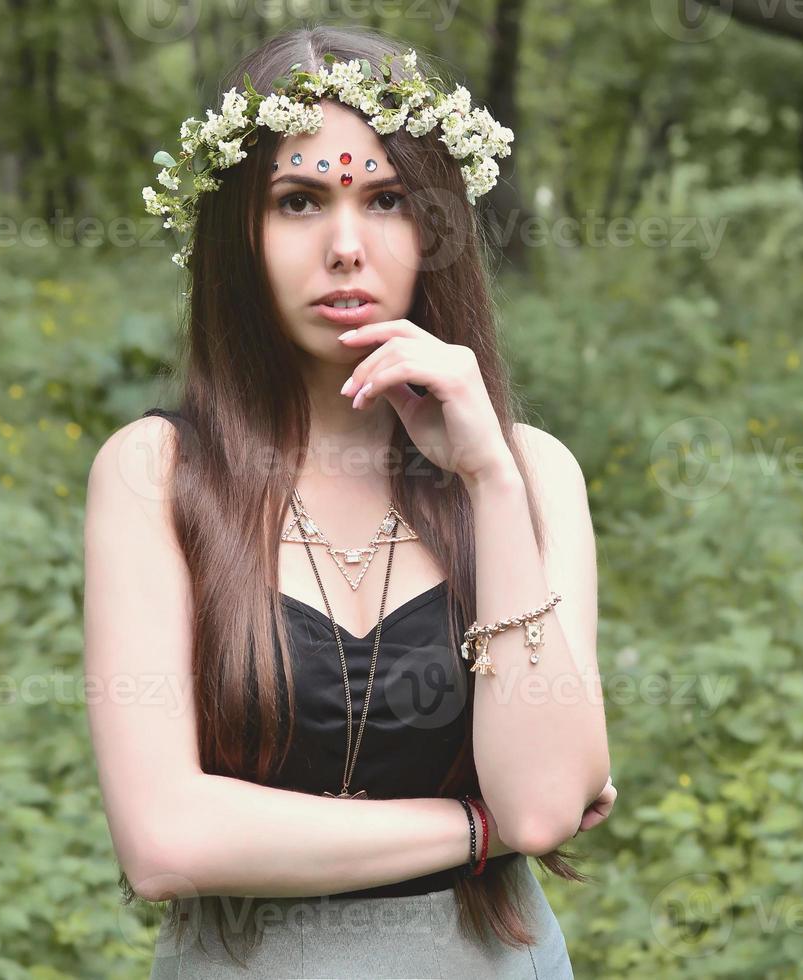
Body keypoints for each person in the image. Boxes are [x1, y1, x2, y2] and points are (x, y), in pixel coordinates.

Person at [83, 24, 616, 978]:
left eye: (386, 201)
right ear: (239, 235)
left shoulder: (532, 475)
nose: (344, 247)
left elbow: (538, 807)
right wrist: (469, 826)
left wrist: (486, 478)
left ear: (436, 230)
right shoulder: (158, 476)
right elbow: (165, 839)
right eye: (299, 201)